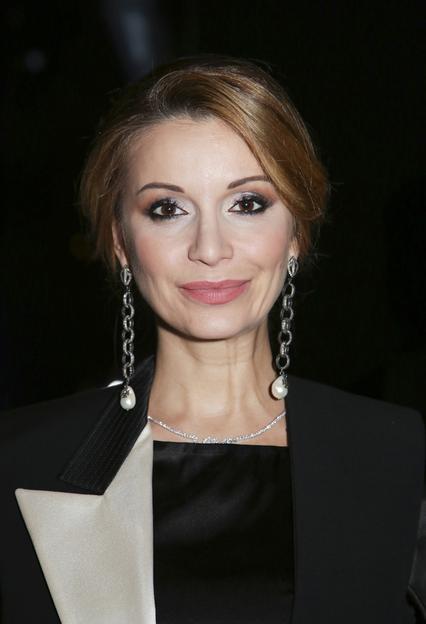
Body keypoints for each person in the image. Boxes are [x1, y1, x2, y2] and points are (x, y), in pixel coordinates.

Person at [0, 54, 424, 624]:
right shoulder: (20, 460)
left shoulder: (396, 456)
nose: (210, 247)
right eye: (167, 208)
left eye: (247, 204)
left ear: (295, 232)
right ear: (121, 242)